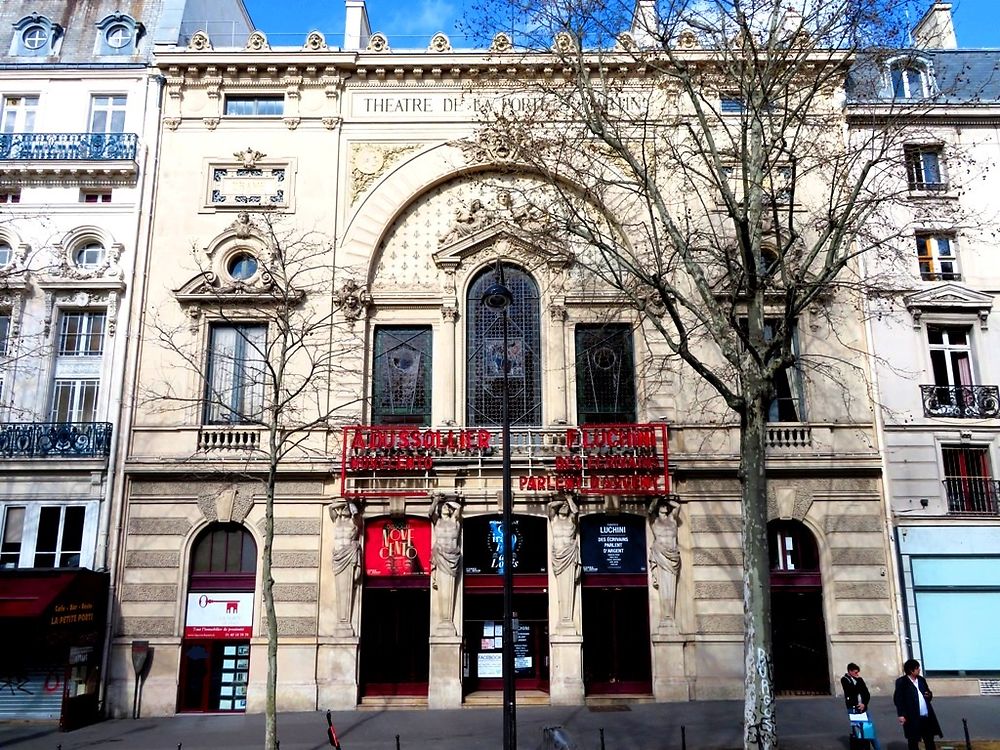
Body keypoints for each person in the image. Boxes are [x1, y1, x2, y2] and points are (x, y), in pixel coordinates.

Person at [893, 659, 942, 750]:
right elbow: (898, 699)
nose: (919, 669)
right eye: (917, 668)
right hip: (912, 717)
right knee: (913, 740)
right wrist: (901, 714)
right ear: (911, 670)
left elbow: (928, 693)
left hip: (926, 716)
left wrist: (929, 695)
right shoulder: (902, 682)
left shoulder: (921, 680)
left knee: (929, 740)